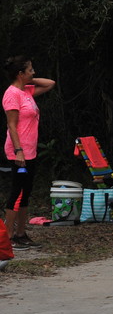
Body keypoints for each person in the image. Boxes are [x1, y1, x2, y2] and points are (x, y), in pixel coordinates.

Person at [4, 56, 56, 250]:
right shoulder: (12, 94)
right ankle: (8, 237)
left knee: (25, 194)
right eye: (30, 70)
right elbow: (12, 125)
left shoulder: (26, 91)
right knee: (17, 194)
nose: (34, 73)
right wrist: (19, 151)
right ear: (20, 74)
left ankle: (21, 234)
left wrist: (28, 80)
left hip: (30, 152)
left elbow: (50, 83)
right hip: (19, 153)